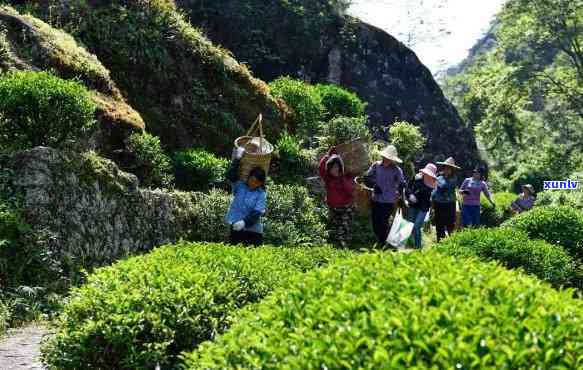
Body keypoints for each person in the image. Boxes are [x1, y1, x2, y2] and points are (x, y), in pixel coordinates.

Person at [364, 145, 407, 245]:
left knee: (383, 222)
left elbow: (402, 184)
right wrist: (374, 185)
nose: (388, 160)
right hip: (376, 199)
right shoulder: (376, 166)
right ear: (383, 157)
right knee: (375, 222)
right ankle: (380, 240)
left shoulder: (396, 170)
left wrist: (401, 197)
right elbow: (367, 177)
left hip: (388, 201)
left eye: (390, 159)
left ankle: (382, 243)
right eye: (387, 158)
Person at [225, 147, 267, 246]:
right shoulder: (240, 186)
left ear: (261, 183)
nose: (253, 183)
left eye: (257, 182)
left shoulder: (261, 194)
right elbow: (230, 175)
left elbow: (257, 213)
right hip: (235, 227)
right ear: (248, 178)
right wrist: (238, 158)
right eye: (252, 180)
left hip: (253, 233)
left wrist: (244, 222)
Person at [319, 146, 355, 246]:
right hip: (333, 207)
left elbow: (351, 190)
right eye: (332, 167)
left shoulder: (345, 177)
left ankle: (344, 245)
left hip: (346, 208)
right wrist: (328, 155)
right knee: (334, 227)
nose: (334, 170)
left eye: (336, 167)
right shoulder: (328, 178)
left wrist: (342, 179)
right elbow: (321, 167)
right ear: (329, 168)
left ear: (340, 168)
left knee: (343, 227)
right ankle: (336, 245)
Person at [406, 163, 438, 248]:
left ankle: (418, 247)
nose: (427, 175)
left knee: (417, 226)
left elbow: (433, 197)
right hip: (413, 205)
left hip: (423, 207)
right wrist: (410, 195)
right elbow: (407, 187)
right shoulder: (417, 178)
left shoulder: (434, 184)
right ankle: (411, 245)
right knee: (410, 226)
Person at [431, 157, 460, 242]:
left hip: (449, 204)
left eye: (449, 168)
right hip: (438, 204)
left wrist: (438, 182)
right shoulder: (439, 177)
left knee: (450, 225)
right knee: (439, 225)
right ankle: (440, 243)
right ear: (443, 168)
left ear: (452, 170)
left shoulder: (454, 179)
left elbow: (445, 186)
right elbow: (434, 190)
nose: (446, 170)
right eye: (445, 168)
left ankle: (451, 243)